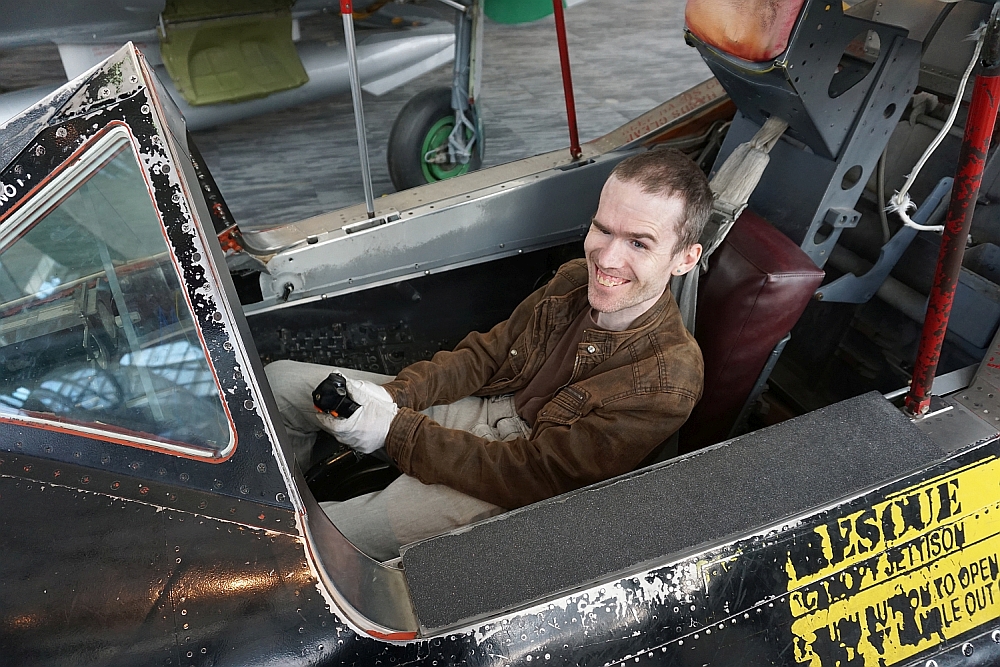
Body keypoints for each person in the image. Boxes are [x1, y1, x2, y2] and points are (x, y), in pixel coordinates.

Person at [266, 147, 711, 561]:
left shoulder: (668, 383)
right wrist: (395, 399)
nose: (607, 258)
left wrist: (395, 431)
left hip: (515, 479)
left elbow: (537, 476)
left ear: (685, 259)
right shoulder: (576, 278)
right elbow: (486, 354)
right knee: (282, 382)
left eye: (639, 243)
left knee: (310, 538)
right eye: (602, 229)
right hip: (490, 409)